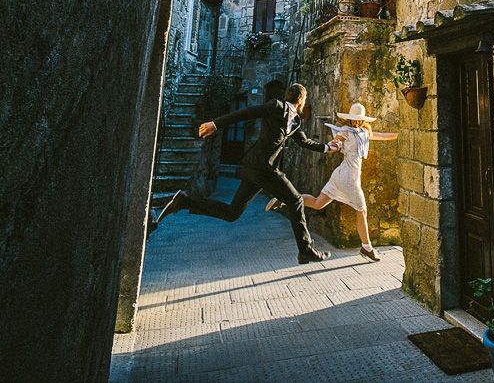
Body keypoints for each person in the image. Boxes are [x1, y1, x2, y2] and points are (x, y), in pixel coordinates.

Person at [156, 83, 342, 263]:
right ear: (301, 99)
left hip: (257, 169)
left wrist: (327, 147)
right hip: (263, 167)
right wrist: (216, 123)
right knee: (296, 200)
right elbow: (246, 113)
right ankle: (306, 250)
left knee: (232, 213)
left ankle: (184, 200)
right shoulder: (275, 106)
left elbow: (303, 141)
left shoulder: (295, 121)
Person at [273, 102, 398, 262]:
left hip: (342, 175)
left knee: (318, 203)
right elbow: (335, 143)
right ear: (350, 119)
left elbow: (380, 135)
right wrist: (336, 144)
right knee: (362, 210)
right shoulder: (345, 131)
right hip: (348, 177)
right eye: (353, 119)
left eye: (358, 119)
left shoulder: (365, 132)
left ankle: (287, 199)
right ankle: (367, 248)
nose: (355, 122)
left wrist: (399, 135)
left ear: (361, 120)